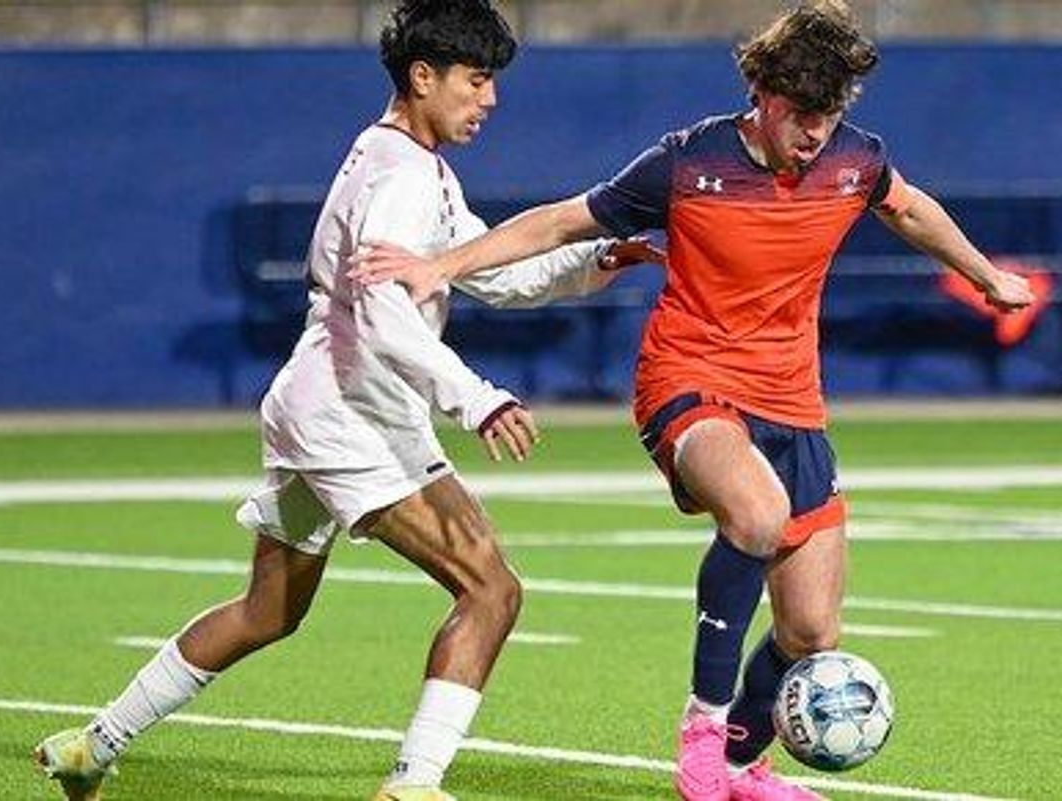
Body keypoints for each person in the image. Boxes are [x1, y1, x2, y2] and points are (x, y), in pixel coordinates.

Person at [349, 2, 1036, 800]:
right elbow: (562, 222)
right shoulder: (688, 162)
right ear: (763, 93)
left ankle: (740, 760)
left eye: (829, 116)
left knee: (812, 628)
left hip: (794, 399)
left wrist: (985, 276)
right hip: (688, 378)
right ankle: (702, 734)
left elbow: (909, 207)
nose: (815, 134)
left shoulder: (856, 159)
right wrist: (444, 265)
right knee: (756, 513)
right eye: (801, 114)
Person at [31, 2, 656, 801]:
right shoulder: (400, 175)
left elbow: (489, 273)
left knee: (267, 611)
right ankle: (413, 784)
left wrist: (595, 259)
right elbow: (386, 317)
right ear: (423, 77)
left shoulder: (407, 161)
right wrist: (477, 399)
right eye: (476, 79)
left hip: (317, 402)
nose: (490, 98)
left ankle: (93, 745)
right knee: (491, 589)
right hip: (352, 412)